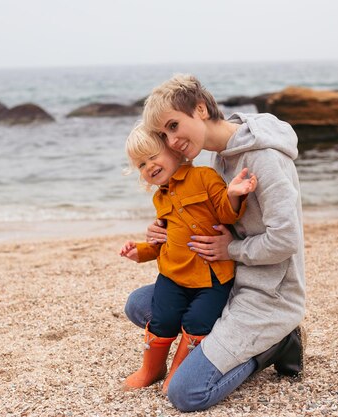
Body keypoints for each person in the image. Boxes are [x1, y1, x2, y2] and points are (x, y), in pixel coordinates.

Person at [124, 74, 306, 412]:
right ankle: (220, 340)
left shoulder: (264, 159)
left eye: (174, 126)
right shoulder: (219, 158)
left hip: (267, 296)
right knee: (139, 305)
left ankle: (274, 343)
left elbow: (285, 240)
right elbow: (216, 219)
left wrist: (230, 250)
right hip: (225, 281)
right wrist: (164, 230)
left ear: (201, 109)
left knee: (186, 393)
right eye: (164, 135)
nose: (172, 141)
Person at [119, 123, 257, 393]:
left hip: (212, 277)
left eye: (153, 156)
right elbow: (164, 242)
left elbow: (226, 214)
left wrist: (233, 194)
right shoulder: (160, 200)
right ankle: (152, 369)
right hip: (173, 276)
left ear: (174, 151)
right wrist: (141, 251)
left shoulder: (204, 177)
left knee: (197, 321)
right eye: (141, 164)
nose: (149, 166)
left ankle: (179, 371)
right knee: (162, 319)